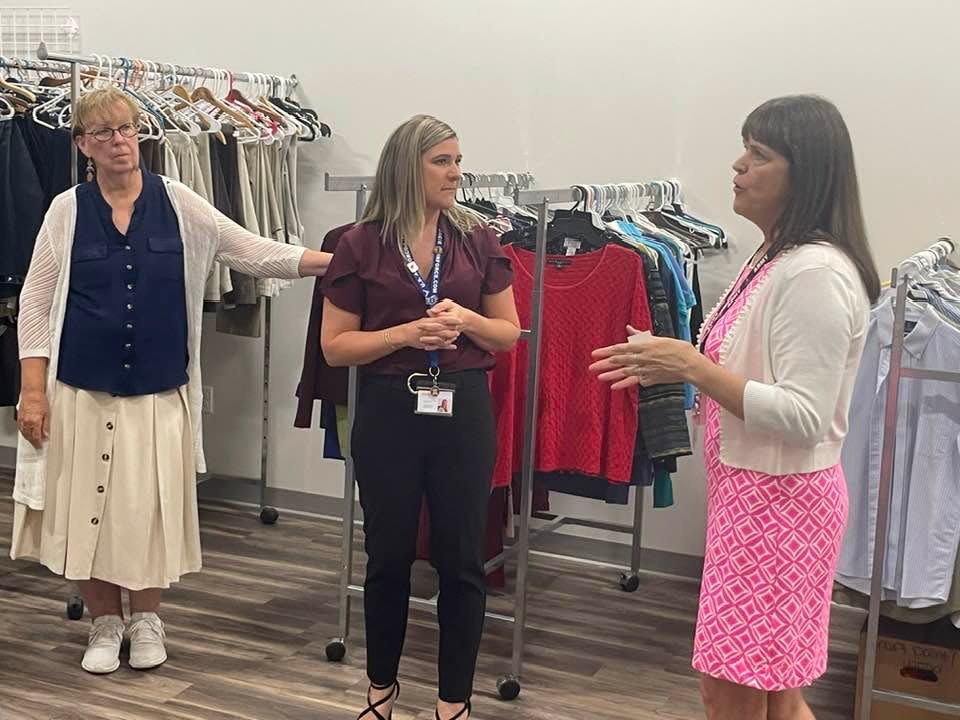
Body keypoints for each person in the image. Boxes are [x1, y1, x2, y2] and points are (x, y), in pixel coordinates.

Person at [10, 87, 332, 675]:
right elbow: (35, 300)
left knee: (147, 511)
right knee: (91, 511)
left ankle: (148, 619)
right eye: (103, 132)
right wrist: (33, 390)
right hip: (81, 388)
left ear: (141, 134)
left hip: (158, 392)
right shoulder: (66, 210)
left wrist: (336, 261)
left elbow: (249, 252)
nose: (119, 141)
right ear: (83, 144)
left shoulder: (178, 199)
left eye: (127, 128)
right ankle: (106, 622)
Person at [590, 95, 880, 720]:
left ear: (804, 172)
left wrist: (689, 365)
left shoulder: (814, 274)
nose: (738, 166)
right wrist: (668, 356)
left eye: (759, 154)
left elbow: (805, 414)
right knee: (770, 691)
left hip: (780, 508)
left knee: (731, 689)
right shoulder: (773, 257)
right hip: (757, 499)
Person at [321, 115, 520, 720]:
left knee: (462, 556)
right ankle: (380, 692)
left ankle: (452, 702)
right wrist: (406, 332)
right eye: (442, 161)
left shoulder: (478, 240)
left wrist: (465, 323)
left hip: (462, 405)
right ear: (408, 166)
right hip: (387, 407)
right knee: (387, 554)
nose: (456, 173)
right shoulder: (358, 244)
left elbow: (508, 333)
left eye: (458, 160)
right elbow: (335, 347)